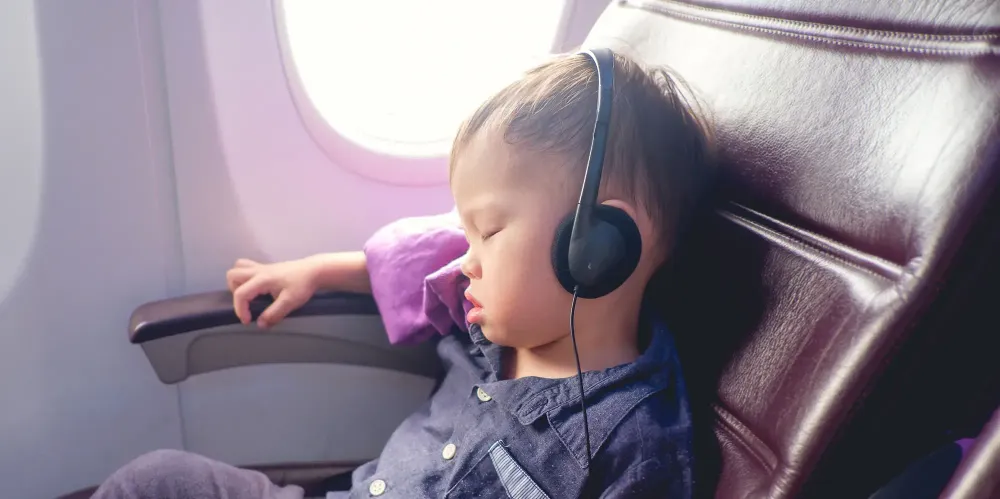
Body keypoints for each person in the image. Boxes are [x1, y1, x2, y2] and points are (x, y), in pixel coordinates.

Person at [91, 49, 714, 499]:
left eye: (489, 232)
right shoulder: (499, 312)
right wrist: (317, 272)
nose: (464, 259)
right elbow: (421, 253)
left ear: (598, 247)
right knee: (156, 480)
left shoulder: (635, 447)